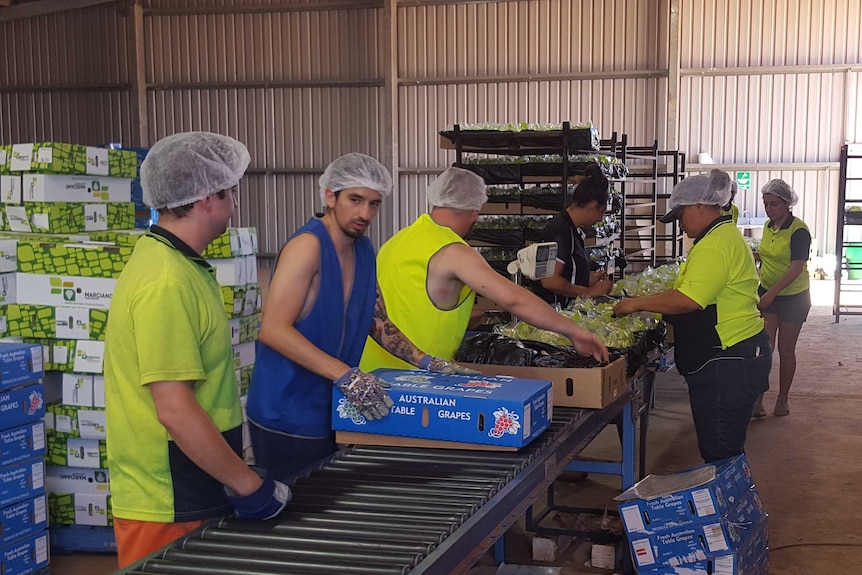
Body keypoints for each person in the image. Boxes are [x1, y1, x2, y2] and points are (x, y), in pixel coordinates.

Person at [105, 132, 290, 569]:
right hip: (170, 497)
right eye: (231, 192)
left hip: (194, 483)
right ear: (208, 197)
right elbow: (174, 408)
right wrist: (246, 483)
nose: (234, 203)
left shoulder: (181, 265)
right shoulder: (166, 282)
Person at [247, 153, 471, 482]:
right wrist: (346, 376)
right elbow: (273, 330)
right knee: (296, 514)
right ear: (330, 196)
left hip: (334, 406)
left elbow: (377, 321)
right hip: (285, 410)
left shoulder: (363, 251)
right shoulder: (307, 247)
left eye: (374, 204)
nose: (365, 213)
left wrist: (427, 362)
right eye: (355, 199)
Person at [360, 167, 608, 373]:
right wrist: (575, 331)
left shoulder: (398, 240)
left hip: (372, 374)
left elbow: (403, 302)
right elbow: (514, 299)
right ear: (474, 213)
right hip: (415, 382)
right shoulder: (454, 250)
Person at [612, 169, 771, 463]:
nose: (681, 224)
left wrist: (635, 303)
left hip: (728, 359)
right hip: (733, 355)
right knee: (723, 450)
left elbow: (689, 300)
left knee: (721, 453)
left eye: (682, 215)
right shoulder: (719, 237)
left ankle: (729, 508)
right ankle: (731, 504)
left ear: (701, 205)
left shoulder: (715, 245)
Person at [752, 179, 811, 417]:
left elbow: (797, 266)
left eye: (774, 204)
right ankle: (758, 400)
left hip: (793, 296)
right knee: (765, 348)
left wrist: (772, 294)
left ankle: (783, 398)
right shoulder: (768, 227)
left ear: (787, 204)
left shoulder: (799, 231)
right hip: (768, 291)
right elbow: (766, 256)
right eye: (766, 204)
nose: (769, 209)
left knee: (786, 350)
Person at [532, 163, 614, 306]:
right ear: (594, 206)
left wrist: (587, 279)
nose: (600, 219)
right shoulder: (560, 231)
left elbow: (567, 273)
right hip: (554, 310)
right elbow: (550, 281)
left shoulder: (571, 229)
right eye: (601, 212)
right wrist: (587, 292)